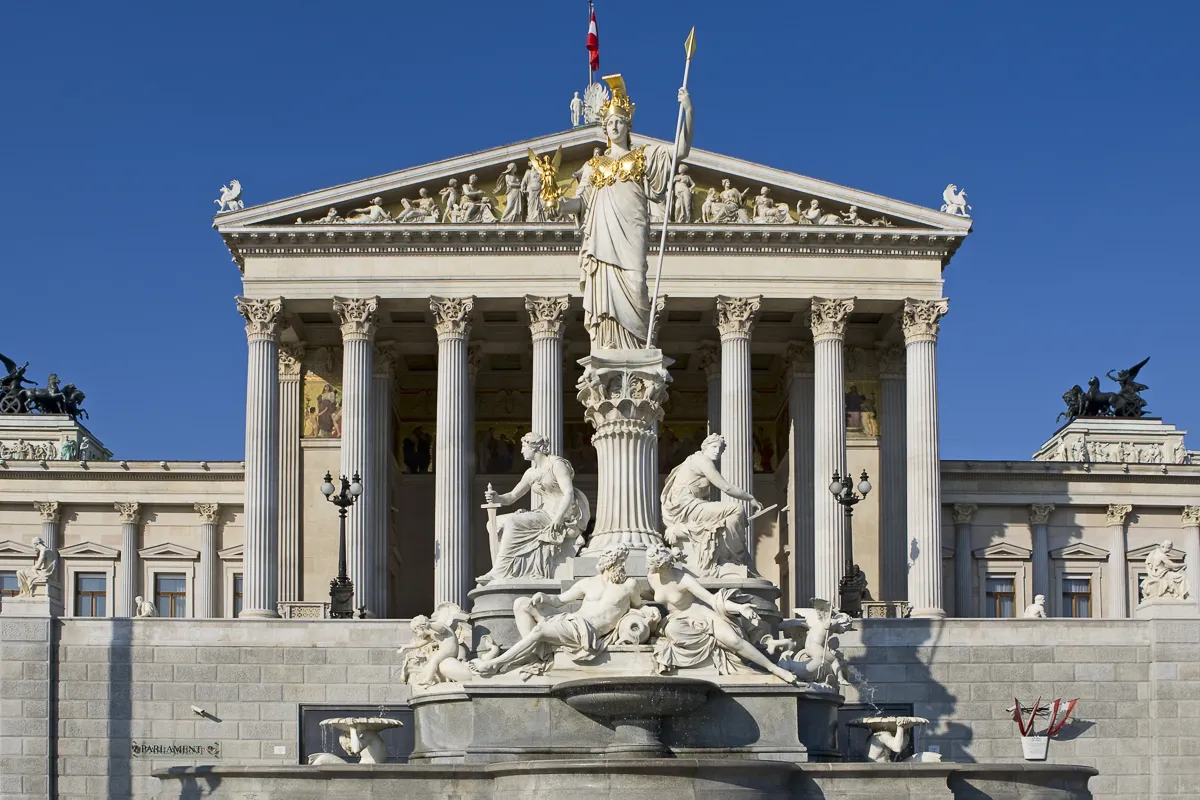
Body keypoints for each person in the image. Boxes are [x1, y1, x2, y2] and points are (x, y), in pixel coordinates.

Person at [556, 76, 694, 350]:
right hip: (602, 237)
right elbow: (580, 201)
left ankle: (635, 348)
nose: (614, 125)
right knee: (606, 290)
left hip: (631, 232)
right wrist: (559, 204)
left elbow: (680, 150)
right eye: (610, 122)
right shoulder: (594, 166)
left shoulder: (642, 157)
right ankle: (608, 343)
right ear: (605, 128)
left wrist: (687, 110)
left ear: (628, 125)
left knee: (636, 283)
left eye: (619, 121)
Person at [471, 545, 641, 675]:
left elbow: (638, 605)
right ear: (606, 561)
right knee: (521, 603)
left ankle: (496, 663)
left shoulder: (629, 585)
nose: (621, 564)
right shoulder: (588, 582)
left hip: (585, 631)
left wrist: (649, 612)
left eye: (622, 561)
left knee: (539, 630)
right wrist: (544, 596)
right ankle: (532, 654)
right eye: (618, 560)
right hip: (571, 620)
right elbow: (559, 600)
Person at [646, 544, 797, 682]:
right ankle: (718, 644)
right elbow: (650, 596)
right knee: (672, 629)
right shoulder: (652, 577)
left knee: (734, 641)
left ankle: (774, 668)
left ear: (663, 566)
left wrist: (740, 608)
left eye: (653, 564)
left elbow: (712, 599)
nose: (650, 567)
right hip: (676, 619)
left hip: (699, 614)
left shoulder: (684, 579)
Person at [477, 432, 590, 583]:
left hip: (562, 515)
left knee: (512, 522)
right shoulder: (531, 473)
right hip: (544, 513)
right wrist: (497, 498)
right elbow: (512, 496)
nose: (521, 451)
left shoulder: (556, 464)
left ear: (535, 447)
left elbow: (568, 493)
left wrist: (558, 517)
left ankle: (498, 571)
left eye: (524, 447)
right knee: (496, 523)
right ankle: (511, 570)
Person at [660, 433, 761, 577]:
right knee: (736, 509)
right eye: (714, 447)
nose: (716, 451)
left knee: (726, 517)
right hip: (687, 508)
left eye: (720, 450)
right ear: (705, 447)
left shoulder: (693, 460)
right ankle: (734, 557)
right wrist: (749, 498)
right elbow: (726, 488)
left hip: (689, 506)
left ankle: (732, 556)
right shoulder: (702, 460)